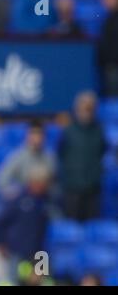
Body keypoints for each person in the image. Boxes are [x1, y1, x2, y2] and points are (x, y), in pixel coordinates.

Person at [58, 91, 107, 221]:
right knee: (71, 227)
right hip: (72, 188)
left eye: (90, 108)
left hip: (92, 188)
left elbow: (102, 151)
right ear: (77, 109)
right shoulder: (68, 131)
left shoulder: (99, 130)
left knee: (92, 226)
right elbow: (60, 153)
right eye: (84, 108)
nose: (86, 112)